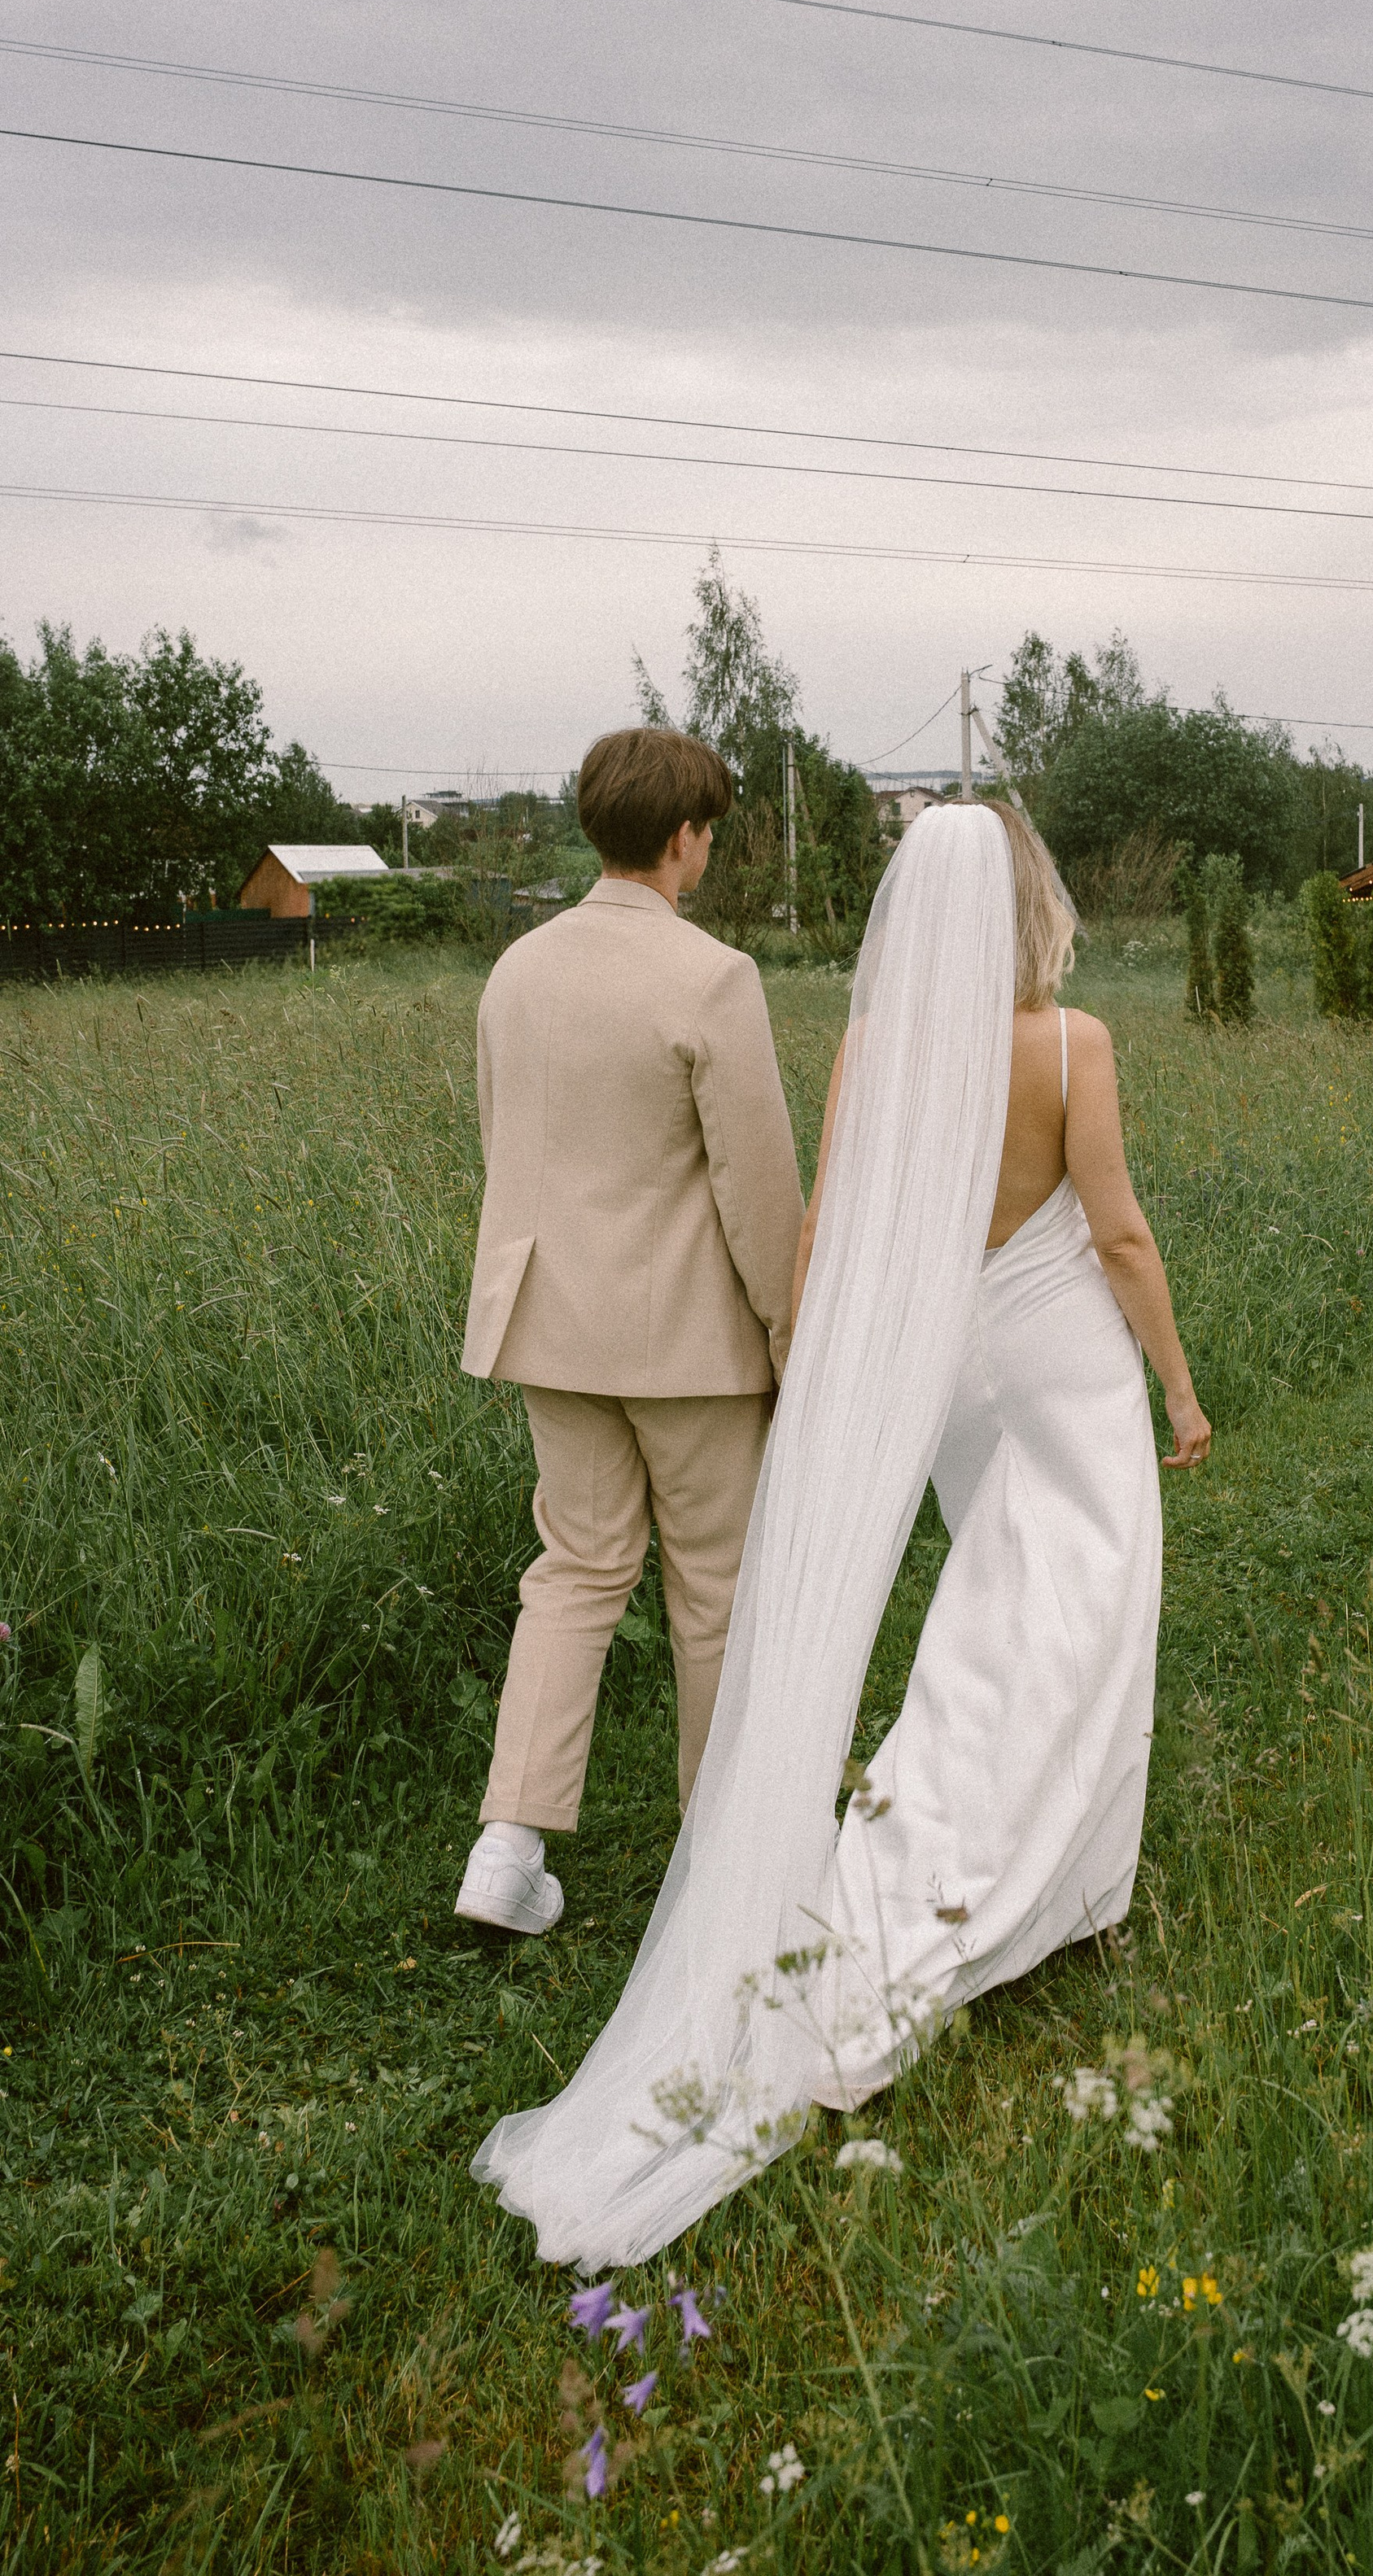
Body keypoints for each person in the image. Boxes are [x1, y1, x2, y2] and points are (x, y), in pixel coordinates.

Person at [473, 798, 1208, 2265]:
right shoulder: (1072, 1046)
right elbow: (1118, 1233)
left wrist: (811, 1367)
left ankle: (994, 1880)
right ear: (1028, 904)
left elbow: (823, 1226)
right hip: (1062, 1366)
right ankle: (1041, 1894)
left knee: (985, 1621)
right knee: (1078, 1614)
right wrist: (1180, 1389)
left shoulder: (879, 1047)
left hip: (952, 1367)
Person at [453, 727, 804, 1939]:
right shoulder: (713, 978)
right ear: (683, 838)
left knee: (575, 1571)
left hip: (547, 1323)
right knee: (713, 1587)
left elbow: (509, 1144)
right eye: (707, 827)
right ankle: (718, 1856)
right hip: (689, 1345)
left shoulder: (516, 970)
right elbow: (758, 1192)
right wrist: (789, 1328)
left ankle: (507, 1847)